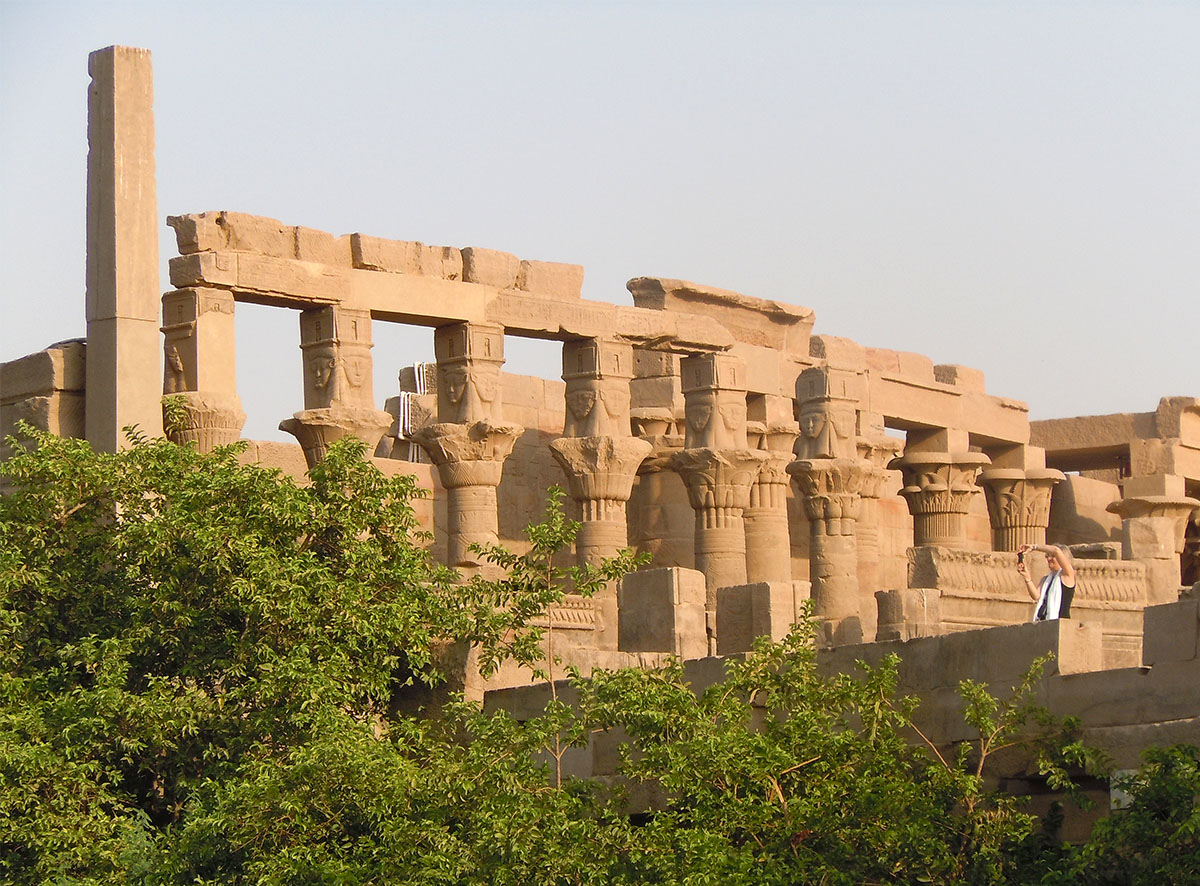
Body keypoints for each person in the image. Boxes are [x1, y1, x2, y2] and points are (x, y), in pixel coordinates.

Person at [1016, 543, 1077, 622]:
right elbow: (1036, 596)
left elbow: (1056, 551)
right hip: (1044, 622)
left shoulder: (1067, 575)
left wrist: (1034, 547)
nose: (1048, 559)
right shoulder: (1046, 579)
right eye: (1047, 556)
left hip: (1061, 623)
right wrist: (1027, 577)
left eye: (1052, 556)